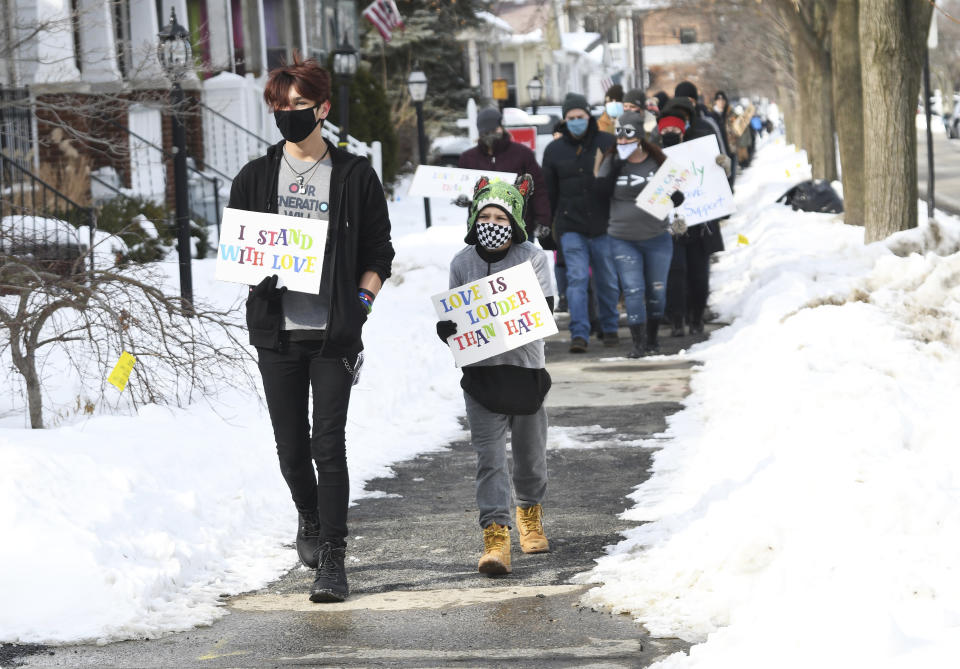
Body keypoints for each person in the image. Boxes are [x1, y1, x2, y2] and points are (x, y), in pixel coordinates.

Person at [228, 53, 394, 603]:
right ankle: (309, 516)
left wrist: (362, 302)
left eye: (300, 106)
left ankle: (333, 560)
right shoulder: (254, 178)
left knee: (329, 445)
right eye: (281, 107)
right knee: (291, 449)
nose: (290, 115)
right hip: (277, 332)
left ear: (322, 108)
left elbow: (378, 251)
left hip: (332, 333)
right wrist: (252, 267)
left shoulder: (353, 175)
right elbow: (241, 255)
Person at [436, 174, 554, 575]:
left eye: (500, 217)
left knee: (529, 460)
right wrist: (449, 330)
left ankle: (529, 513)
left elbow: (544, 310)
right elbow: (456, 316)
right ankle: (496, 535)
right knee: (489, 460)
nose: (492, 222)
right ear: (473, 218)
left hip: (524, 373)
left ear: (514, 220)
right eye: (484, 215)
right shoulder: (461, 263)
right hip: (481, 379)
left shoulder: (533, 258)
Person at [594, 111, 684, 357]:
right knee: (633, 289)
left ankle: (653, 340)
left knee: (656, 290)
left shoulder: (657, 160)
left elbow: (676, 192)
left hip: (656, 237)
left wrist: (675, 196)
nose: (623, 142)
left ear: (640, 138)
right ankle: (638, 344)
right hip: (622, 238)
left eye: (628, 137)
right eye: (619, 138)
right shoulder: (611, 161)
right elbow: (599, 193)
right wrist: (615, 168)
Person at [541, 92, 618, 353]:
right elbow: (548, 192)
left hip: (604, 225)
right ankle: (579, 333)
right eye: (571, 118)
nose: (576, 121)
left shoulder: (607, 142)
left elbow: (619, 181)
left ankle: (609, 328)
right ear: (565, 120)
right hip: (570, 225)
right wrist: (544, 224)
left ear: (589, 116)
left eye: (580, 117)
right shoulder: (554, 150)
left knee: (606, 280)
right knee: (576, 280)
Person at [658, 96, 729, 337]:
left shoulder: (699, 152)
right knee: (675, 276)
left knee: (699, 276)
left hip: (700, 225)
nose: (669, 132)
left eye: (674, 129)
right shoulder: (654, 155)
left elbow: (716, 183)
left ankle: (696, 317)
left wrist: (722, 167)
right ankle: (677, 320)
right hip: (670, 229)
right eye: (665, 129)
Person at [458, 107, 552, 244]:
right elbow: (463, 189)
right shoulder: (468, 158)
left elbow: (538, 189)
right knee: (490, 266)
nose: (492, 135)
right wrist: (462, 198)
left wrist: (543, 219)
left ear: (501, 128)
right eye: (487, 132)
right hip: (484, 228)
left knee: (521, 265)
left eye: (495, 130)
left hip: (519, 226)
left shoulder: (522, 154)